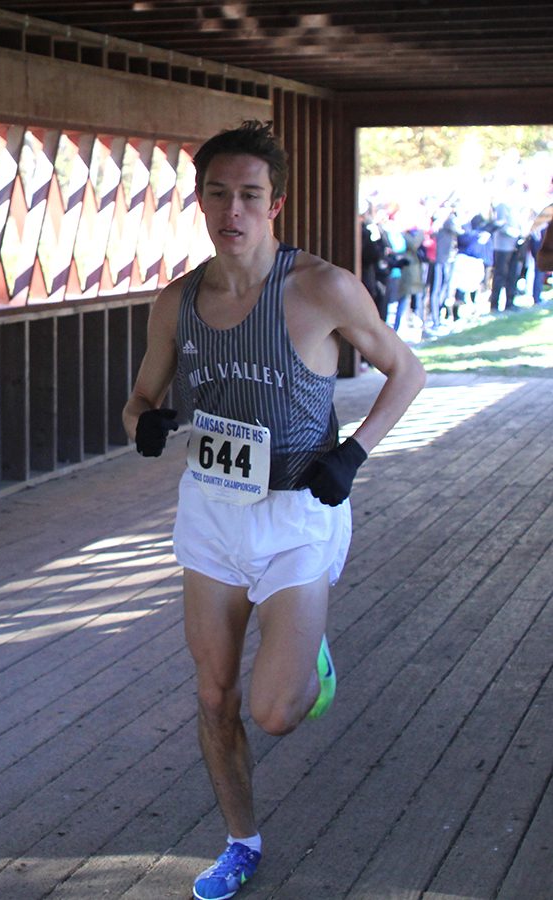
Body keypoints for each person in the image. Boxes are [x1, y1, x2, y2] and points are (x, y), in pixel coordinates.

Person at [122, 120, 425, 900]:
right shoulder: (175, 302)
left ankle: (309, 652)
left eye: (249, 195)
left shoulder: (321, 288)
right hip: (213, 515)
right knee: (215, 695)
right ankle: (240, 841)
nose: (233, 210)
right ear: (199, 201)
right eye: (218, 193)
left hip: (298, 515)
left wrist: (353, 454)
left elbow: (406, 370)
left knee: (277, 711)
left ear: (275, 204)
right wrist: (146, 424)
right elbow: (141, 401)